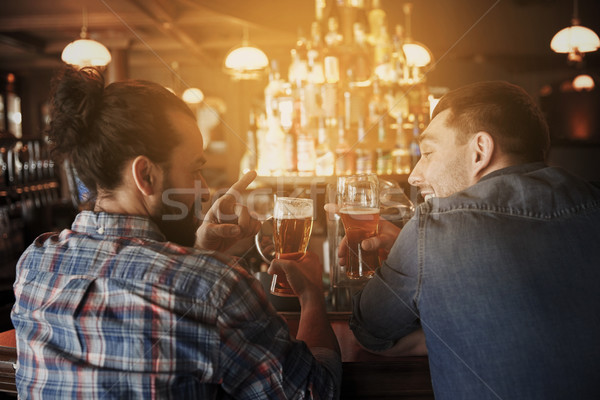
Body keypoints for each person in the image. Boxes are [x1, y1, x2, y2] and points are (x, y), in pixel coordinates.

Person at [11, 67, 341, 399]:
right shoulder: (216, 286)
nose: (204, 190)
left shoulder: (35, 263)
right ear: (146, 174)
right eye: (196, 169)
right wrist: (311, 295)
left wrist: (200, 253)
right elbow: (317, 392)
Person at [347, 81, 600, 399]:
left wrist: (413, 249)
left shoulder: (434, 223)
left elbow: (370, 330)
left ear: (480, 151)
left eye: (427, 153)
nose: (414, 175)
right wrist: (417, 252)